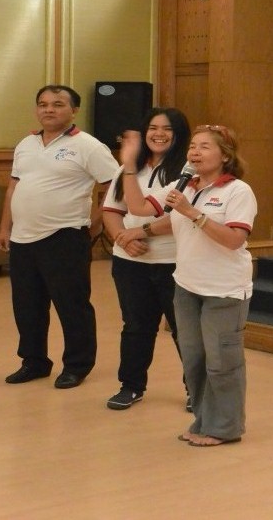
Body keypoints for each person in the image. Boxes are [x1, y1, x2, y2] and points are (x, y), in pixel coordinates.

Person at [116, 124, 257, 446]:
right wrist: (129, 165)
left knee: (222, 363)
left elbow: (234, 240)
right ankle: (204, 422)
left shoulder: (238, 191)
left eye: (205, 147)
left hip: (224, 289)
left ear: (225, 155)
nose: (195, 152)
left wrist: (192, 212)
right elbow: (139, 208)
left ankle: (226, 428)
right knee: (195, 360)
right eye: (193, 146)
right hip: (187, 286)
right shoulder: (185, 186)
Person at [0, 84, 119, 388]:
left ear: (74, 110)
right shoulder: (26, 144)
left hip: (64, 237)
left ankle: (77, 365)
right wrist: (5, 227)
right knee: (27, 306)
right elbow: (13, 187)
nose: (49, 109)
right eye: (43, 104)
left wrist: (96, 222)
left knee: (72, 305)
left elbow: (115, 188)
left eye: (58, 104)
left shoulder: (89, 146)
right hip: (23, 239)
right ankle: (34, 362)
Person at [102, 108, 191, 410]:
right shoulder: (128, 168)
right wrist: (123, 239)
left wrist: (139, 233)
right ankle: (131, 386)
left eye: (167, 129)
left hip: (174, 262)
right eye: (153, 128)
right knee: (135, 326)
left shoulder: (187, 171)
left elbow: (181, 217)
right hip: (130, 263)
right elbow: (111, 211)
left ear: (179, 135)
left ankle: (196, 389)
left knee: (184, 328)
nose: (159, 134)